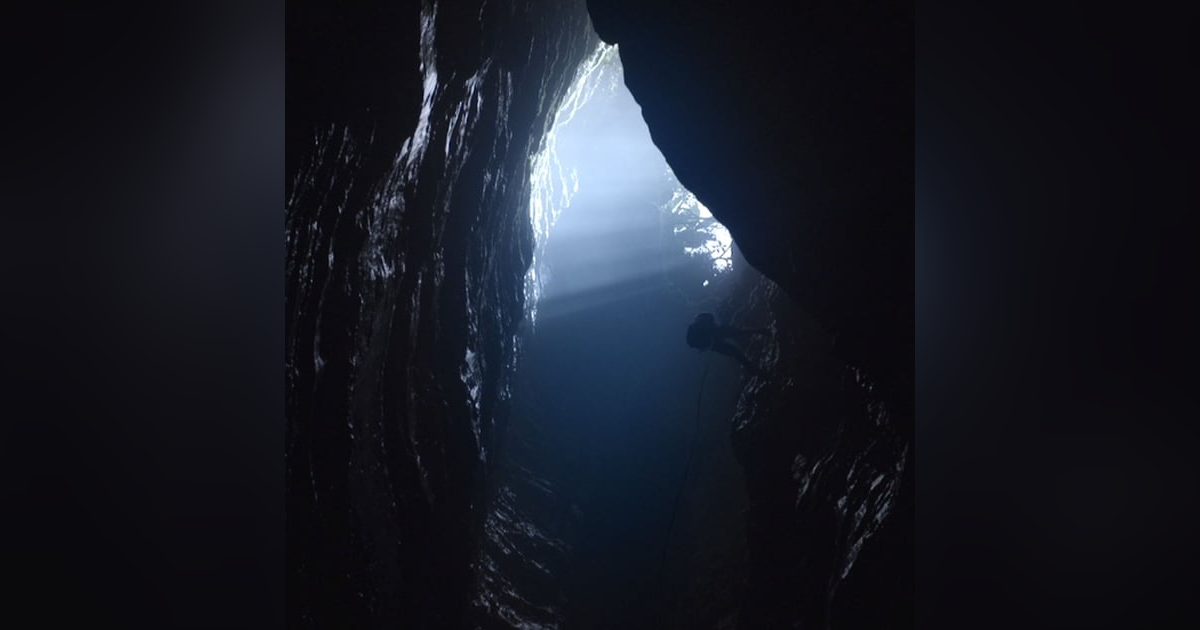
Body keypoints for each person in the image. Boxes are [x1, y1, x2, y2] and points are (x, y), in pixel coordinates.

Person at [686, 312, 769, 375]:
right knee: (736, 346)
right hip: (716, 340)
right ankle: (752, 369)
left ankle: (752, 368)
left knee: (737, 340)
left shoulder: (700, 324)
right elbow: (710, 320)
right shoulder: (699, 324)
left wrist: (712, 332)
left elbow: (703, 345)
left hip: (716, 337)